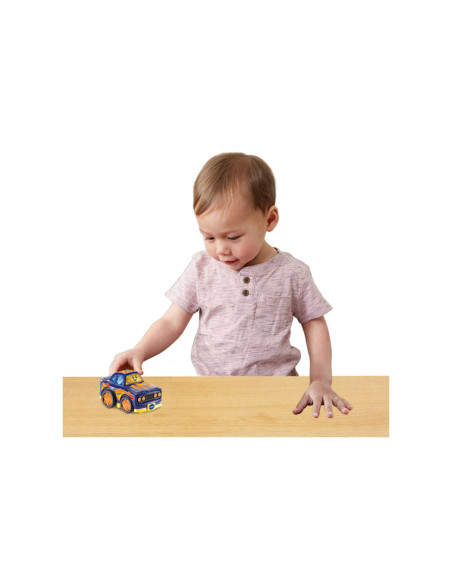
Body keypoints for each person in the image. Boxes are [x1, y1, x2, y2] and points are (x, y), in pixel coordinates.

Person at [109, 153, 353, 418]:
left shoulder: (293, 273)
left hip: (278, 391)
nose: (221, 249)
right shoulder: (201, 268)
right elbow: (171, 321)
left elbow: (315, 324)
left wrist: (320, 380)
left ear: (269, 219)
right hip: (212, 391)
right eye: (209, 237)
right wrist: (140, 350)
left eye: (233, 237)